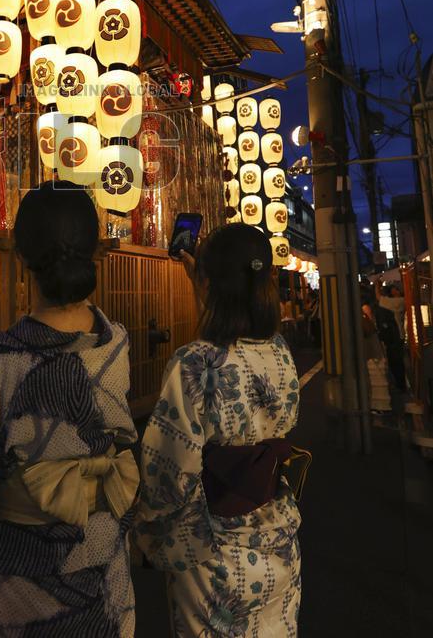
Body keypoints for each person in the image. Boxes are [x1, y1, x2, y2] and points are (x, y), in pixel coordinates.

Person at [0, 181, 139, 637]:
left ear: (21, 259)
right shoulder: (115, 343)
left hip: (24, 595)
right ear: (96, 254)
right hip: (107, 585)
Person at [133, 224, 301, 638]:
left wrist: (147, 539)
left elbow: (166, 471)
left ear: (210, 283)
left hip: (217, 554)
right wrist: (204, 281)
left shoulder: (193, 363)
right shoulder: (280, 352)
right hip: (279, 540)